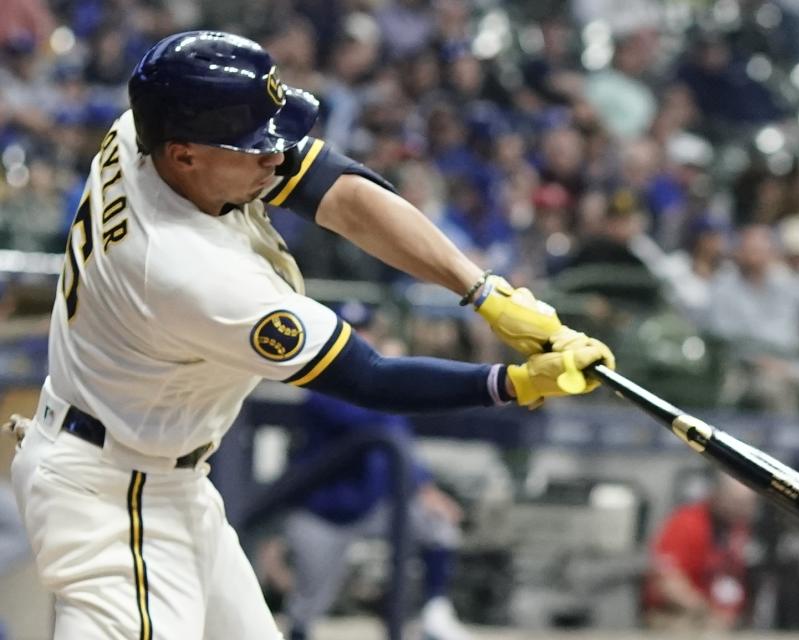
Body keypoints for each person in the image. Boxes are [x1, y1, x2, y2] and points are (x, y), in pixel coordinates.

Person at [5, 31, 614, 639]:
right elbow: (370, 377)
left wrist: (485, 293)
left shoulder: (147, 130)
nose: (274, 156)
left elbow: (338, 191)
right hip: (113, 497)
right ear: (186, 154)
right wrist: (512, 384)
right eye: (253, 146)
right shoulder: (189, 273)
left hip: (158, 475)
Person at [279, 304, 473, 640]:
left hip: (373, 506)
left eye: (364, 330)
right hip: (322, 514)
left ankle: (435, 613)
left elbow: (401, 439)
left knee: (438, 525)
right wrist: (390, 377)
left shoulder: (375, 379)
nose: (359, 338)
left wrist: (425, 487)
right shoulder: (316, 382)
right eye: (351, 330)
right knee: (308, 607)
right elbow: (367, 418)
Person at [643, 473, 757, 631]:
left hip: (733, 619)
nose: (742, 509)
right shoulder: (687, 522)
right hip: (683, 614)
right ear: (717, 495)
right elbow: (668, 582)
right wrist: (707, 611)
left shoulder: (743, 527)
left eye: (748, 504)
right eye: (736, 502)